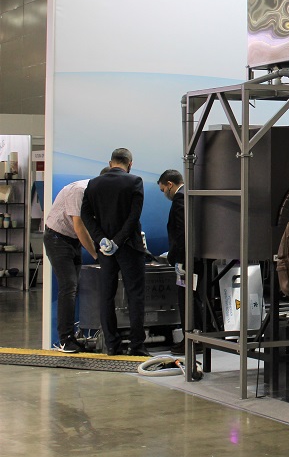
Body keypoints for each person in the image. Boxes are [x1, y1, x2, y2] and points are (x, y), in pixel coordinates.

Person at [80, 148, 148, 357]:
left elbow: (85, 215)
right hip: (129, 247)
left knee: (106, 296)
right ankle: (136, 346)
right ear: (130, 164)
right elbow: (134, 216)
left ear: (110, 163)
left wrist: (101, 239)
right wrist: (118, 241)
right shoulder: (135, 181)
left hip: (105, 250)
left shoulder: (93, 183)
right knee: (135, 296)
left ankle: (112, 345)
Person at [43, 168, 108, 352]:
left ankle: (74, 336)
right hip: (57, 238)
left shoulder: (99, 193)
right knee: (68, 287)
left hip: (72, 240)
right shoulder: (79, 190)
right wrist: (97, 255)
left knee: (74, 287)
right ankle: (65, 340)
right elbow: (79, 227)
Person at [158, 169, 187, 356]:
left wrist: (177, 258)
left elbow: (182, 232)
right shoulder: (190, 193)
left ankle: (190, 339)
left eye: (163, 190)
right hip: (192, 257)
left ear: (170, 184)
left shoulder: (180, 198)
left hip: (186, 259)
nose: (164, 194)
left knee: (186, 300)